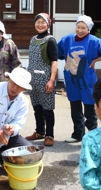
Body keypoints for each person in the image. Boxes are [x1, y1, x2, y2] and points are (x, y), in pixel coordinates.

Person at [57, 15, 101, 143]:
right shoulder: (67, 39)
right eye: (78, 27)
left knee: (89, 109)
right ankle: (77, 134)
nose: (80, 30)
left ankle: (92, 137)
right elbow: (56, 52)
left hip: (88, 81)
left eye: (83, 28)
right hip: (71, 80)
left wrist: (97, 59)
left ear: (89, 29)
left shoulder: (94, 41)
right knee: (75, 108)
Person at [25, 13, 58, 146]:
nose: (40, 24)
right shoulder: (33, 39)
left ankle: (49, 135)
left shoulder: (50, 40)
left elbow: (54, 62)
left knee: (47, 109)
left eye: (43, 22)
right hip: (33, 79)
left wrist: (51, 80)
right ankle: (39, 131)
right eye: (37, 22)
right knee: (37, 108)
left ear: (48, 24)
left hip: (45, 79)